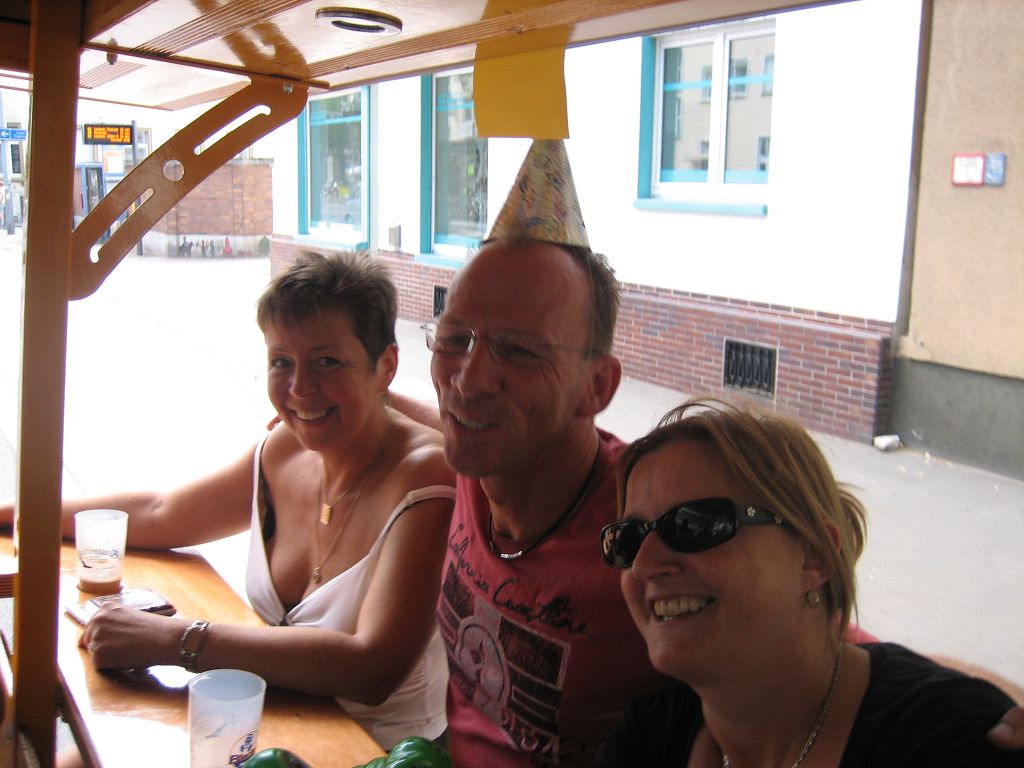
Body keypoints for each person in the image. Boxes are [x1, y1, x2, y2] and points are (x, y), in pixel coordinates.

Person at [392, 139, 1024, 765]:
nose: (467, 379)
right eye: (453, 338)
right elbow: (426, 415)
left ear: (597, 388)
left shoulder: (645, 519)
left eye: (519, 350)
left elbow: (816, 627)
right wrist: (365, 390)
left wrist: (992, 703)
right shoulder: (479, 456)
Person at [1, 252, 455, 749]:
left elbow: (371, 667)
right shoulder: (285, 449)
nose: (300, 387)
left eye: (327, 361)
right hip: (265, 727)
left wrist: (176, 640)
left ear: (386, 365)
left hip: (378, 752)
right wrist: (19, 513)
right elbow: (162, 512)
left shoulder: (427, 478)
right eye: (281, 362)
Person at [593, 398, 1023, 767]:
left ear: (814, 556)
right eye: (627, 539)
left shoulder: (948, 741)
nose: (644, 564)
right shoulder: (647, 736)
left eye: (694, 525)